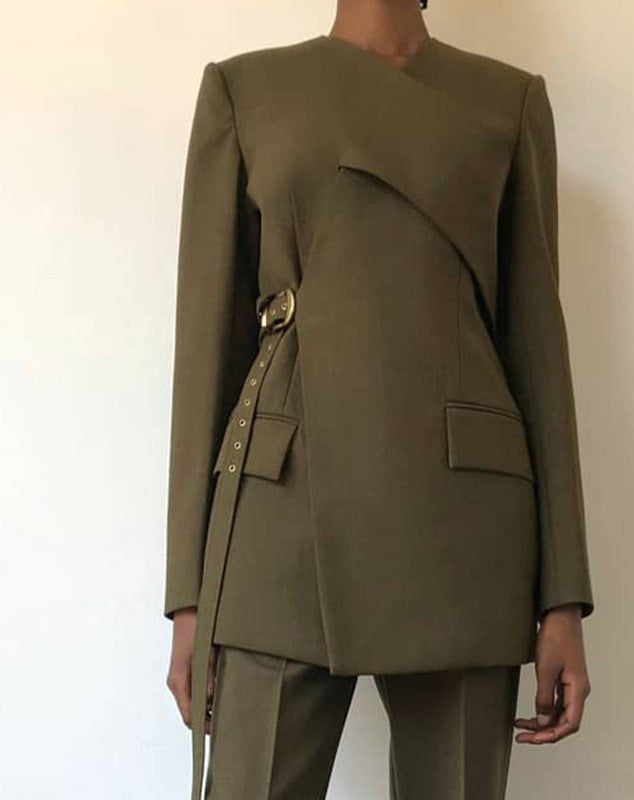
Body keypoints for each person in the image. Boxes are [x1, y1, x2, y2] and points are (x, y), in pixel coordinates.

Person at [165, 1, 595, 797]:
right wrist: (189, 596)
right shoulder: (244, 91)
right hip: (280, 514)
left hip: (464, 526)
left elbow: (538, 348)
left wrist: (562, 596)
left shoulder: (507, 102)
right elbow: (207, 349)